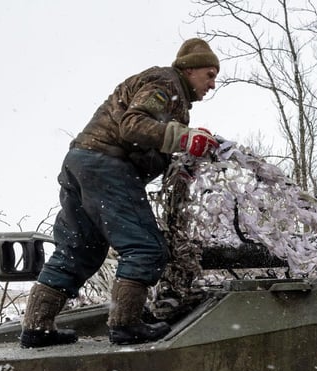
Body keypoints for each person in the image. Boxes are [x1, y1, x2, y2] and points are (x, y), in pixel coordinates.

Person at [19, 38, 220, 348]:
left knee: (79, 249)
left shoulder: (171, 93)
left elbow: (147, 146)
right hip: (106, 165)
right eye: (210, 74)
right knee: (146, 248)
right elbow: (133, 125)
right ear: (190, 69)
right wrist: (184, 138)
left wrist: (181, 158)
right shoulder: (166, 84)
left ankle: (36, 328)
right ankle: (126, 324)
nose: (213, 84)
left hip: (82, 162)